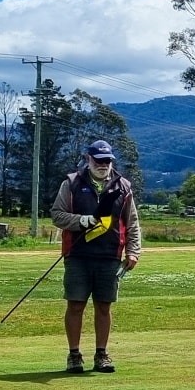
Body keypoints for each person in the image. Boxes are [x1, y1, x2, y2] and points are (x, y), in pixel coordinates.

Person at [51, 139, 141, 374]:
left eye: (107, 161)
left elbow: (132, 223)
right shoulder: (71, 183)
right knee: (76, 304)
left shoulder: (124, 186)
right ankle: (74, 355)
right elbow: (57, 215)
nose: (103, 165)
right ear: (88, 159)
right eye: (98, 160)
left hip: (110, 255)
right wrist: (81, 221)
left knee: (104, 306)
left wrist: (133, 251)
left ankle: (102, 354)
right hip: (77, 254)